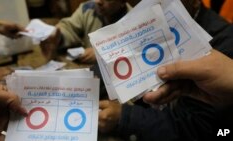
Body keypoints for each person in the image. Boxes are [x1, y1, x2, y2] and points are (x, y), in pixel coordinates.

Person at [97, 0, 233, 140]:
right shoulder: (153, 24)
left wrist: (125, 118)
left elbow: (202, 128)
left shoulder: (225, 44)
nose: (151, 4)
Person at [40, 0, 132, 63]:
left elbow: (135, 50)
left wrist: (104, 53)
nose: (98, 1)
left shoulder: (135, 20)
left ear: (122, 2)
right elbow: (69, 27)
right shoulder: (88, 8)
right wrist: (58, 36)